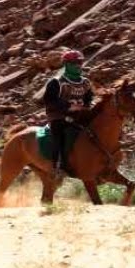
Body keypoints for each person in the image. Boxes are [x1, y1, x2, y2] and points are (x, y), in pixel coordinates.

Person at [42, 50, 93, 180]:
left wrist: (87, 107)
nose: (78, 65)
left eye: (80, 62)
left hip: (79, 115)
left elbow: (88, 99)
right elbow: (49, 100)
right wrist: (69, 106)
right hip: (58, 116)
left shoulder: (86, 82)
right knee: (60, 133)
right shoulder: (56, 82)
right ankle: (58, 166)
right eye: (74, 63)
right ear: (66, 64)